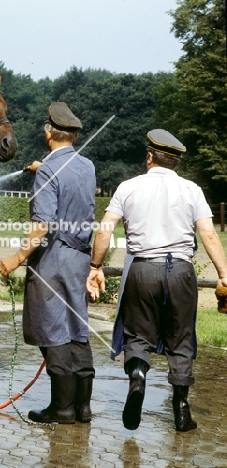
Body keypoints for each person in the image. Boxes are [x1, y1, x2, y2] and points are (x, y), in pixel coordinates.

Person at [86, 129, 227, 432]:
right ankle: (181, 410)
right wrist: (225, 275)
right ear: (175, 161)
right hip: (180, 270)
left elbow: (104, 231)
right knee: (181, 338)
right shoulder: (192, 190)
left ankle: (137, 379)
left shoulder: (127, 187)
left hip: (141, 268)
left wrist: (96, 266)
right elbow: (209, 235)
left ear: (149, 156)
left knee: (138, 336)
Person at [0, 102, 96, 424]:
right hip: (80, 257)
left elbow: (42, 223)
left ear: (48, 133)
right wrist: (45, 168)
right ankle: (82, 408)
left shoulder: (51, 170)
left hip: (53, 259)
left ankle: (62, 409)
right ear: (74, 136)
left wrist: (15, 258)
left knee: (53, 328)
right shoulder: (87, 166)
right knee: (77, 329)